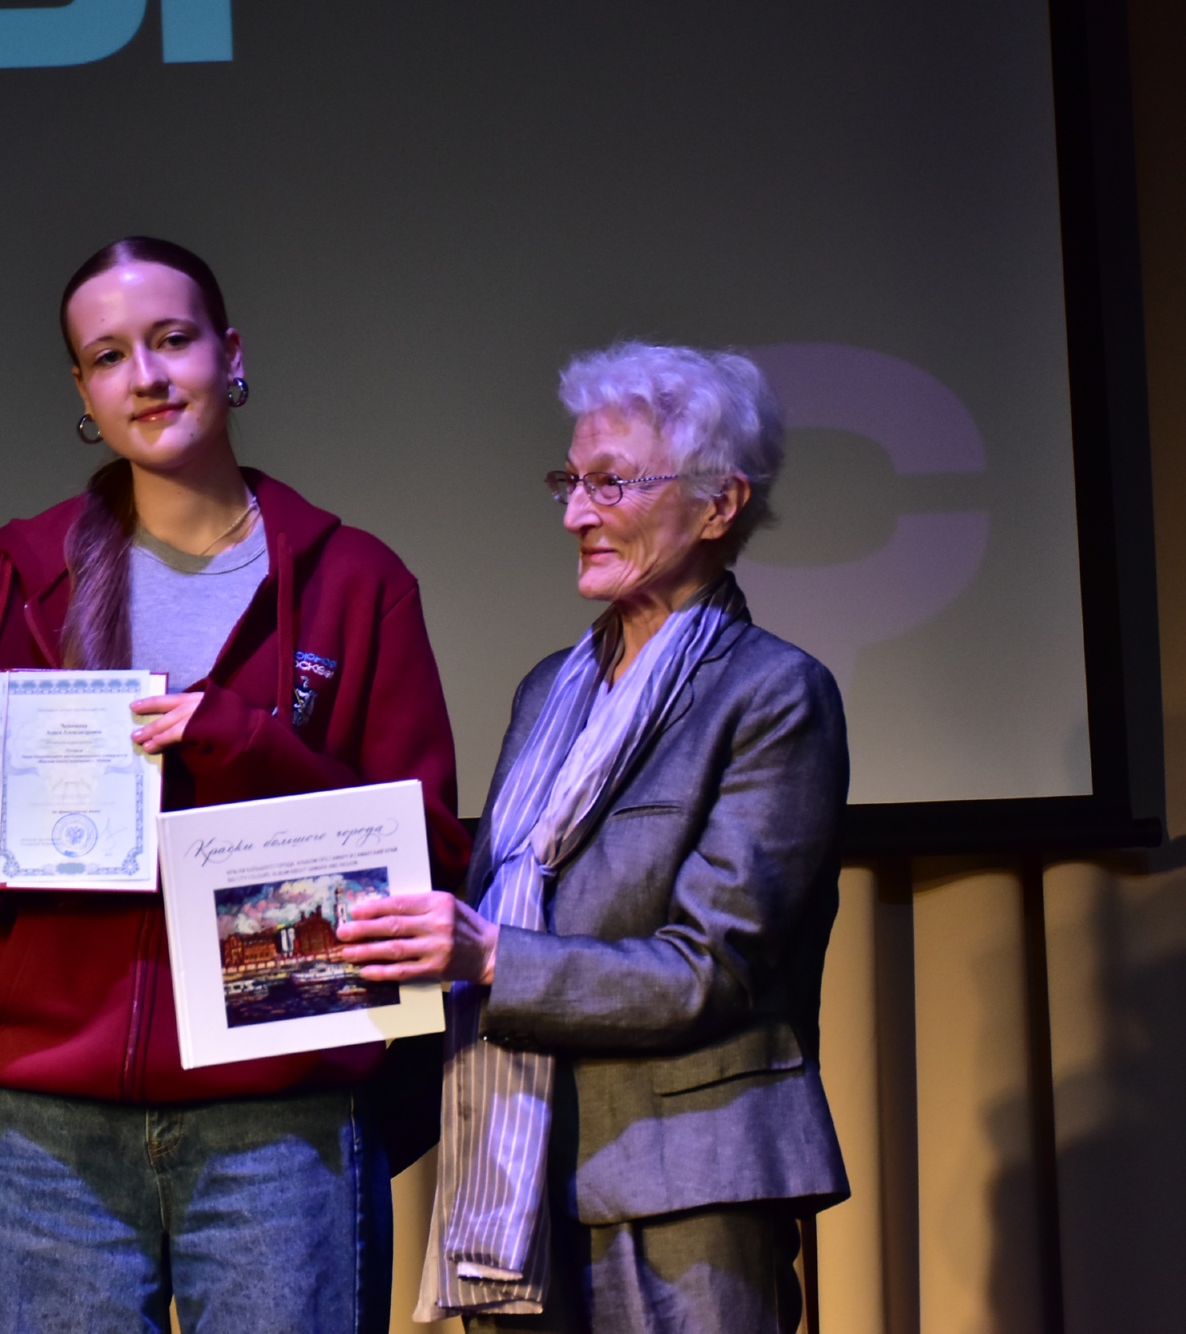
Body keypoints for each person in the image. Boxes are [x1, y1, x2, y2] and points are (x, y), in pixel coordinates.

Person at [0, 236, 470, 1333]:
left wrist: (239, 738)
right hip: (49, 1128)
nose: (145, 377)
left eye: (171, 340)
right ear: (82, 392)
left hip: (278, 1112)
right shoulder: (22, 578)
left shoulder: (355, 581)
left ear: (229, 355)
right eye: (109, 357)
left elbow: (422, 856)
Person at [340, 342, 850, 1332]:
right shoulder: (548, 690)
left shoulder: (773, 695)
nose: (576, 514)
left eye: (609, 483)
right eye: (568, 482)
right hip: (514, 1168)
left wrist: (492, 956)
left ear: (718, 504)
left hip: (686, 1180)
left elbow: (708, 969)